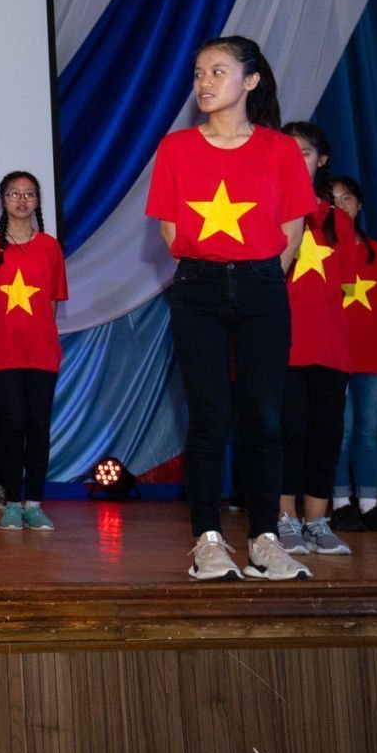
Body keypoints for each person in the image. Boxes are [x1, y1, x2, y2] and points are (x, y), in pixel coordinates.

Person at [146, 36, 314, 582]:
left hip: (263, 287)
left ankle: (265, 539)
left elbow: (293, 230)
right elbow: (170, 229)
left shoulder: (280, 150)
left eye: (218, 71)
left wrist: (259, 274)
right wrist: (213, 272)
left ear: (251, 80)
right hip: (198, 289)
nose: (205, 82)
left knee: (264, 419)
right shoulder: (175, 149)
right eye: (199, 73)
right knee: (209, 418)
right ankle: (208, 541)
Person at [274, 124, 355, 556]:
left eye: (304, 152)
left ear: (322, 160)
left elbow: (346, 288)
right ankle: (285, 519)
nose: (294, 158)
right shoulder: (266, 209)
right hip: (282, 345)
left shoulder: (338, 220)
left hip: (329, 347)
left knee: (326, 432)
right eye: (287, 150)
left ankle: (317, 522)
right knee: (288, 431)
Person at [0, 173, 66, 532]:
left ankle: (34, 504)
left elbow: (52, 303)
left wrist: (36, 334)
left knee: (38, 426)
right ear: (3, 200)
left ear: (38, 201)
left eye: (29, 194)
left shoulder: (50, 248)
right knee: (10, 426)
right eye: (14, 194)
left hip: (42, 354)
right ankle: (11, 504)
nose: (22, 200)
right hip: (2, 355)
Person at [328, 175, 377, 533]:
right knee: (341, 432)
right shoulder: (320, 252)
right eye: (333, 200)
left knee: (368, 431)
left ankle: (370, 504)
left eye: (347, 198)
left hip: (372, 358)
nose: (341, 205)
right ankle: (340, 503)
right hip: (335, 357)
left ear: (359, 205)